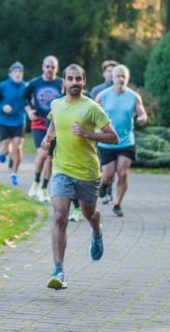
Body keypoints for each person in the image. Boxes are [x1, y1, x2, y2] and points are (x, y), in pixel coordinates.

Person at [41, 64, 119, 290]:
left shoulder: (92, 107)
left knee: (88, 213)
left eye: (78, 79)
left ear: (84, 81)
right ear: (63, 82)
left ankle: (97, 230)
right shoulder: (56, 105)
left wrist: (86, 134)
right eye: (70, 79)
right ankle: (58, 270)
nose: (74, 83)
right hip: (61, 169)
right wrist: (48, 138)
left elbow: (113, 137)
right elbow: (53, 125)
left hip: (87, 172)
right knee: (59, 216)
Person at [96, 65, 148, 217]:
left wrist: (142, 118)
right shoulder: (103, 95)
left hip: (126, 140)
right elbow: (91, 115)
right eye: (118, 76)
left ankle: (117, 204)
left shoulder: (134, 96)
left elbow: (143, 113)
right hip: (107, 140)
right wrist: (96, 129)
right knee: (108, 174)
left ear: (128, 78)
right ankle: (104, 184)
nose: (121, 79)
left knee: (123, 172)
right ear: (112, 77)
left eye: (123, 76)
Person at [24, 56, 63, 203]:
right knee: (42, 154)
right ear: (42, 67)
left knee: (50, 158)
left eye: (53, 67)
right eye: (47, 66)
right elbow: (24, 97)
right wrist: (29, 111)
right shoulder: (34, 83)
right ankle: (35, 182)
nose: (50, 69)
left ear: (56, 68)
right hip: (39, 123)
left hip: (55, 124)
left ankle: (44, 188)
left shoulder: (61, 83)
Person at [0, 62, 27, 186]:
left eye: (20, 72)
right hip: (4, 121)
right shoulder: (3, 86)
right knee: (6, 147)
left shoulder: (26, 86)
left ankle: (14, 174)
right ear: (10, 73)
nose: (18, 74)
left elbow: (30, 102)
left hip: (19, 121)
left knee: (17, 147)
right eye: (15, 72)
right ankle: (3, 153)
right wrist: (2, 107)